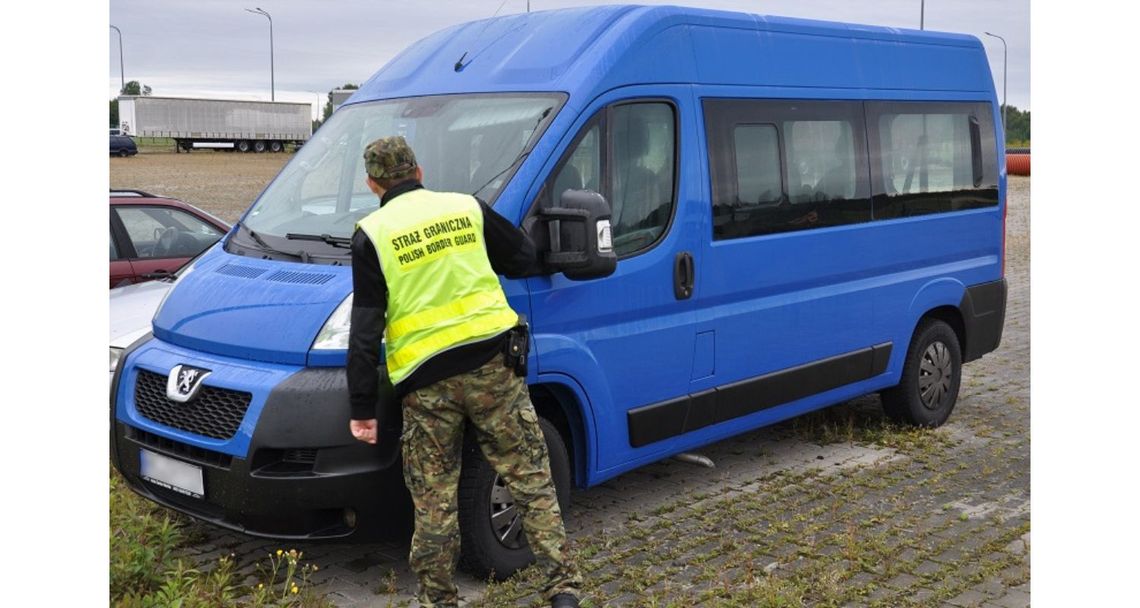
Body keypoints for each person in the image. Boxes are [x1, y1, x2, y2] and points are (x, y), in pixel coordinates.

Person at [346, 135, 582, 608]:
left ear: (373, 184)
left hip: (426, 383)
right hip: (494, 366)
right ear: (420, 172)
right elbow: (521, 257)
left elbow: (365, 331)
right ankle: (563, 591)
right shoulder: (466, 208)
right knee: (530, 478)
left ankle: (440, 600)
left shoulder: (370, 235)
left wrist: (361, 408)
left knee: (434, 501)